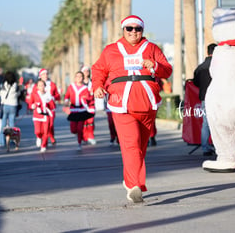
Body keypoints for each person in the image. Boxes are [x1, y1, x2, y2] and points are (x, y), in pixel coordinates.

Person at [92, 15, 172, 203]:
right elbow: (99, 70)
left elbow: (167, 70)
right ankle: (135, 185)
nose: (134, 32)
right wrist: (97, 86)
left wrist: (156, 65)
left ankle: (131, 181)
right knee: (131, 144)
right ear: (123, 30)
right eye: (129, 28)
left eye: (138, 29)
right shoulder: (111, 50)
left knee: (141, 147)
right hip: (121, 104)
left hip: (148, 103)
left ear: (142, 31)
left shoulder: (152, 48)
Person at [193, 43, 216, 156]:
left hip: (204, 99)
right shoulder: (220, 66)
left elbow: (195, 82)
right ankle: (220, 147)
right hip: (218, 98)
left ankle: (205, 148)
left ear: (207, 52)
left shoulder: (200, 67)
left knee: (205, 123)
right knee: (220, 123)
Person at [64, 71, 94, 151]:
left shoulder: (85, 88)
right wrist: (66, 101)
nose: (79, 78)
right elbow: (67, 95)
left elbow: (89, 98)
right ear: (75, 78)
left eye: (81, 76)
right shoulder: (71, 86)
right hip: (73, 110)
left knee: (80, 128)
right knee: (73, 130)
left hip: (82, 110)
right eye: (77, 76)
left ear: (83, 78)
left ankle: (79, 143)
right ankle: (78, 135)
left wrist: (87, 97)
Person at [29, 79, 53, 152]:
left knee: (45, 132)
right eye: (39, 85)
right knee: (38, 131)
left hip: (46, 116)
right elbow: (30, 103)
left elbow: (52, 106)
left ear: (45, 86)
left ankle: (43, 145)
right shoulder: (34, 94)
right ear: (37, 87)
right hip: (37, 115)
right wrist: (33, 106)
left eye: (42, 85)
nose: (41, 87)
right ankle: (39, 137)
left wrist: (49, 104)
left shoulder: (48, 95)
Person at [0, 71, 21, 147]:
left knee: (3, 124)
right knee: (12, 124)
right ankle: (12, 140)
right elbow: (18, 94)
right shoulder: (16, 86)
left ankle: (1, 142)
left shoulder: (2, 85)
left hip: (5, 105)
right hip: (13, 105)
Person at [38, 68, 61, 145]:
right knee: (43, 126)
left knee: (50, 125)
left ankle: (51, 137)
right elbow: (34, 96)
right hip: (41, 109)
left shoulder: (52, 84)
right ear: (40, 76)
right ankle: (46, 139)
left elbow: (57, 95)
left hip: (51, 108)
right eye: (43, 74)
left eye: (46, 74)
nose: (45, 75)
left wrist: (53, 97)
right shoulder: (37, 85)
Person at [81, 65, 96, 145]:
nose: (86, 72)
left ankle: (91, 136)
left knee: (90, 121)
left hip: (91, 105)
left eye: (87, 71)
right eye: (84, 71)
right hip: (82, 106)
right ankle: (85, 136)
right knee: (84, 122)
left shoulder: (92, 82)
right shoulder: (80, 83)